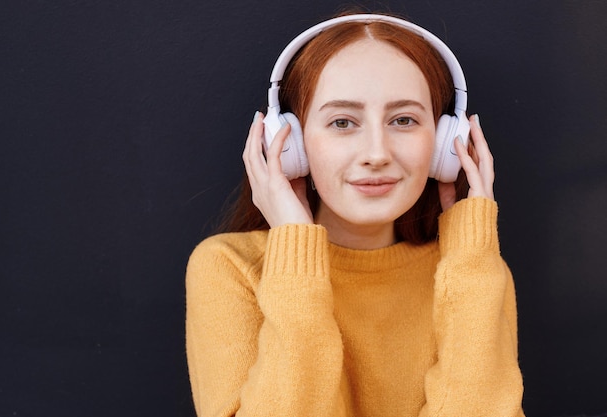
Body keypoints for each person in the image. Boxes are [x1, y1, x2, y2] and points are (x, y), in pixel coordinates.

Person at [185, 11, 524, 417]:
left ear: (445, 141)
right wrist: (294, 253)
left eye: (403, 120)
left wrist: (472, 255)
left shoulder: (476, 273)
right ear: (290, 144)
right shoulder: (230, 267)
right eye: (343, 122)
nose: (377, 154)